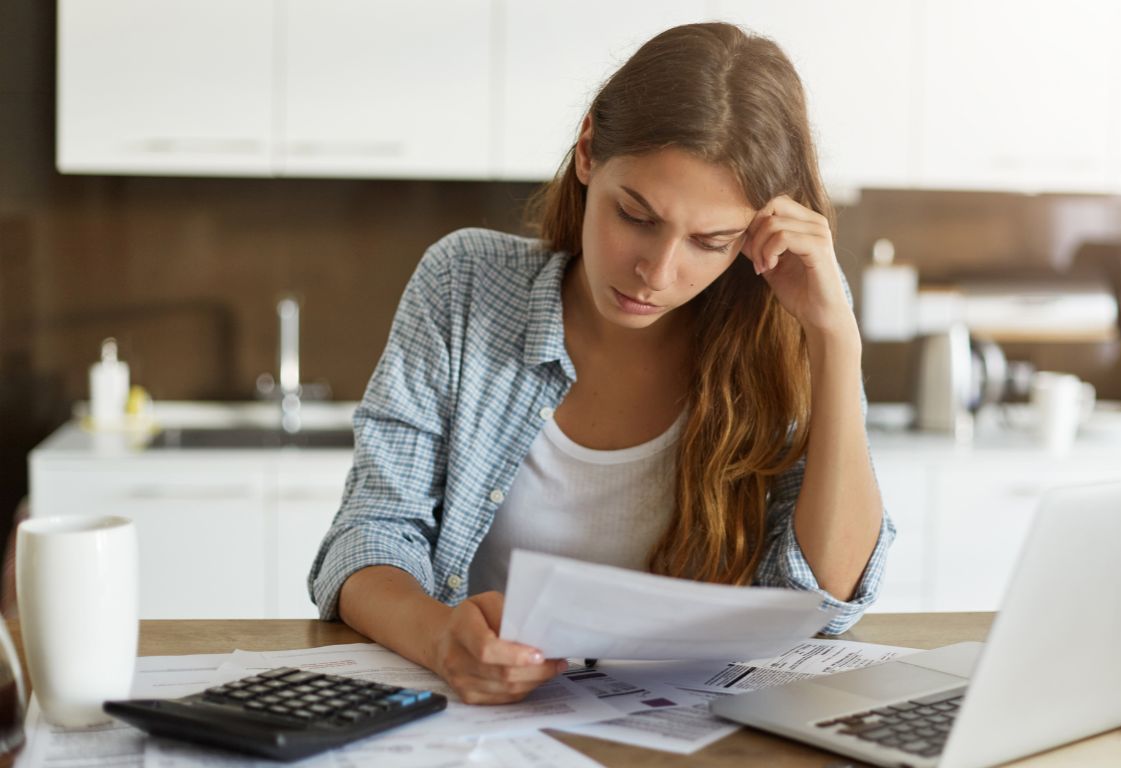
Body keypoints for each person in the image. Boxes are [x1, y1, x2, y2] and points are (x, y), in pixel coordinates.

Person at [308, 21, 896, 705]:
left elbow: (828, 596)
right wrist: (442, 639)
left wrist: (834, 337)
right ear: (588, 151)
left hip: (692, 729)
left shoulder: (788, 324)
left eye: (710, 242)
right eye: (636, 216)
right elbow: (370, 536)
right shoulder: (464, 283)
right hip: (487, 722)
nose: (657, 271)